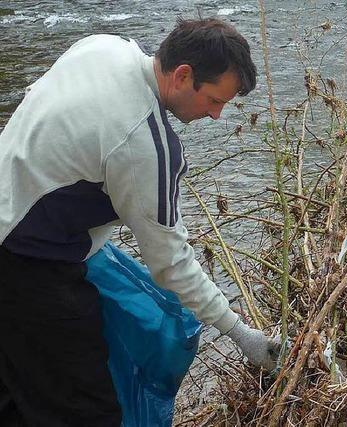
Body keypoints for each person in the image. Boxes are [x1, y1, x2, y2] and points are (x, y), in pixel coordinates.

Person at [0, 18, 279, 426]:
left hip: (10, 214)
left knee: (17, 383)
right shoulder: (143, 142)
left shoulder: (103, 47)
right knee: (85, 407)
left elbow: (41, 110)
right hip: (27, 263)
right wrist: (241, 334)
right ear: (183, 76)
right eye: (215, 100)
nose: (217, 115)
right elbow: (171, 264)